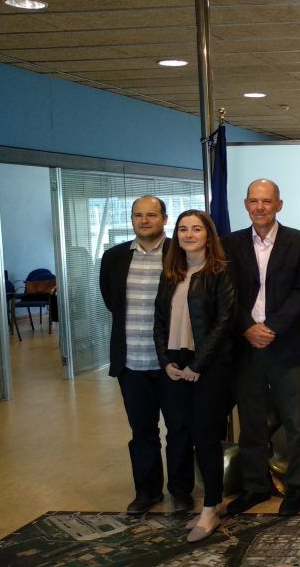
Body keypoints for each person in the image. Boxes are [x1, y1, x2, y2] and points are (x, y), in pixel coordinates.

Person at [222, 179, 300, 517]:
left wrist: (272, 328)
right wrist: (248, 328)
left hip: (287, 342)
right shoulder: (228, 244)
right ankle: (255, 487)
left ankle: (296, 487)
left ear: (279, 204)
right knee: (251, 422)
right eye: (254, 201)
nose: (260, 207)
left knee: (296, 422)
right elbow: (226, 293)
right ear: (246, 205)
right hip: (246, 345)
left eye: (267, 201)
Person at [99, 195, 194, 515]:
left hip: (172, 362)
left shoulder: (180, 254)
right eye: (138, 215)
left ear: (164, 219)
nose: (144, 221)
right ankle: (147, 491)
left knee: (179, 428)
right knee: (142, 431)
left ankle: (181, 491)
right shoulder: (114, 257)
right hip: (131, 362)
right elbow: (112, 301)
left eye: (151, 215)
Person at [153, 209, 236, 542]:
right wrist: (166, 362)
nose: (189, 234)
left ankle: (211, 507)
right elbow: (158, 321)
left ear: (208, 234)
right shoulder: (171, 272)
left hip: (209, 367)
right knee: (183, 432)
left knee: (205, 437)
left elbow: (224, 322)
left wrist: (196, 366)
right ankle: (207, 502)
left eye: (196, 229)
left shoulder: (219, 271)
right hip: (176, 365)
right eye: (183, 229)